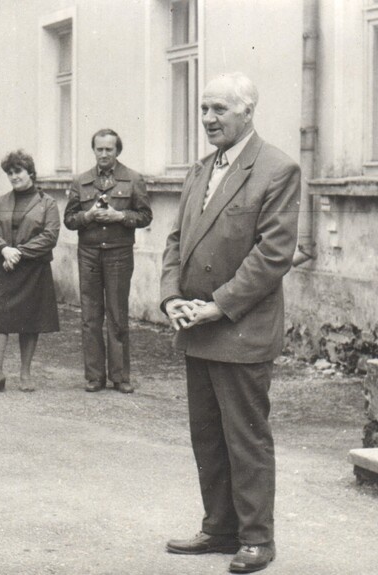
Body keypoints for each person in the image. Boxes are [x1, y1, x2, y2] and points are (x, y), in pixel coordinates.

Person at [160, 72, 300, 574]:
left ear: (247, 112)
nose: (208, 119)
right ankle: (220, 528)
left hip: (239, 326)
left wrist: (218, 304)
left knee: (246, 437)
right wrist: (171, 297)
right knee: (208, 434)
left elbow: (273, 254)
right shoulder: (199, 169)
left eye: (219, 109)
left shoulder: (278, 168)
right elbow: (176, 241)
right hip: (196, 325)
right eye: (203, 109)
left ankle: (258, 540)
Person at [64, 128, 152, 394]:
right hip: (89, 253)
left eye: (109, 149)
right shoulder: (81, 181)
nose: (104, 154)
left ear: (117, 151)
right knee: (90, 316)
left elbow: (145, 216)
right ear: (94, 150)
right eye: (99, 149)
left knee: (117, 314)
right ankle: (94, 377)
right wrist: (88, 216)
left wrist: (120, 217)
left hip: (118, 253)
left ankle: (120, 376)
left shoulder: (133, 179)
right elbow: (69, 220)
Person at [0, 150, 60, 395]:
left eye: (18, 172)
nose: (14, 177)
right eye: (10, 173)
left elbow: (49, 236)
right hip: (3, 267)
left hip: (32, 269)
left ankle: (25, 373)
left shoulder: (48, 203)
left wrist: (19, 253)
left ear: (30, 173)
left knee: (30, 321)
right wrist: (4, 250)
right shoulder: (1, 201)